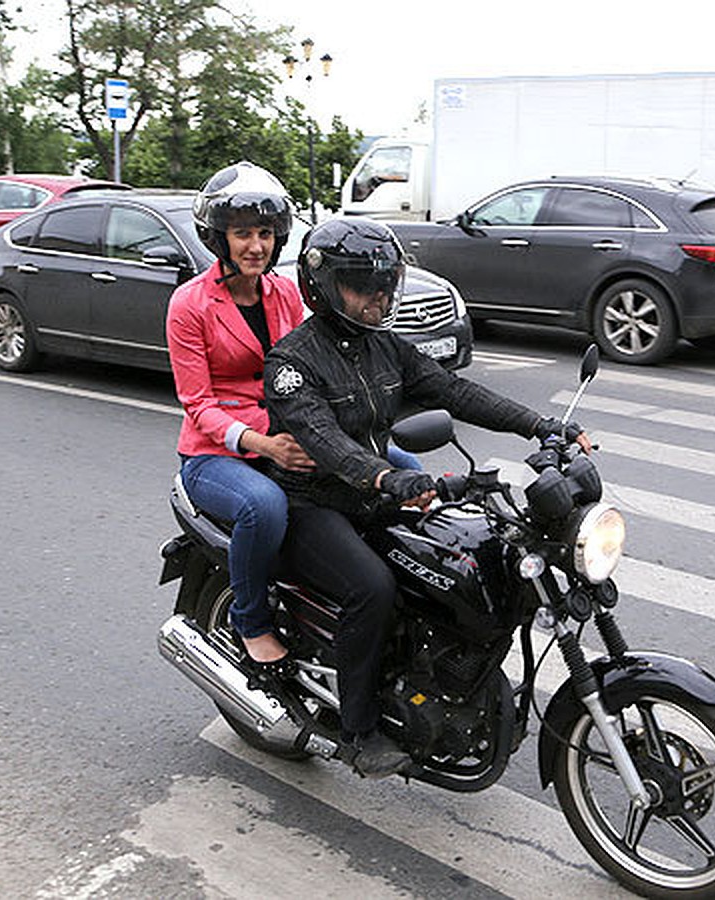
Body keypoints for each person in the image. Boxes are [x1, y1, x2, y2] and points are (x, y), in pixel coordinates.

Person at [263, 217, 590, 777]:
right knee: (372, 587)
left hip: (372, 497)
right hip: (313, 503)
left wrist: (541, 427)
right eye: (364, 285)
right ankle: (359, 729)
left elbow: (454, 390)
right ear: (323, 288)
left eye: (385, 284)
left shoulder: (384, 346)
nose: (379, 296)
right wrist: (392, 479)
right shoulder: (291, 363)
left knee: (472, 555)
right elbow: (328, 444)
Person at [167, 161, 315, 677]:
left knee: (389, 459)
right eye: (243, 233)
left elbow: (307, 368)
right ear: (220, 239)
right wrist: (265, 443)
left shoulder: (286, 293)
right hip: (213, 454)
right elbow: (198, 404)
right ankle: (251, 621)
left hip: (286, 430)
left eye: (265, 233)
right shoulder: (189, 304)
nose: (256, 245)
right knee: (264, 507)